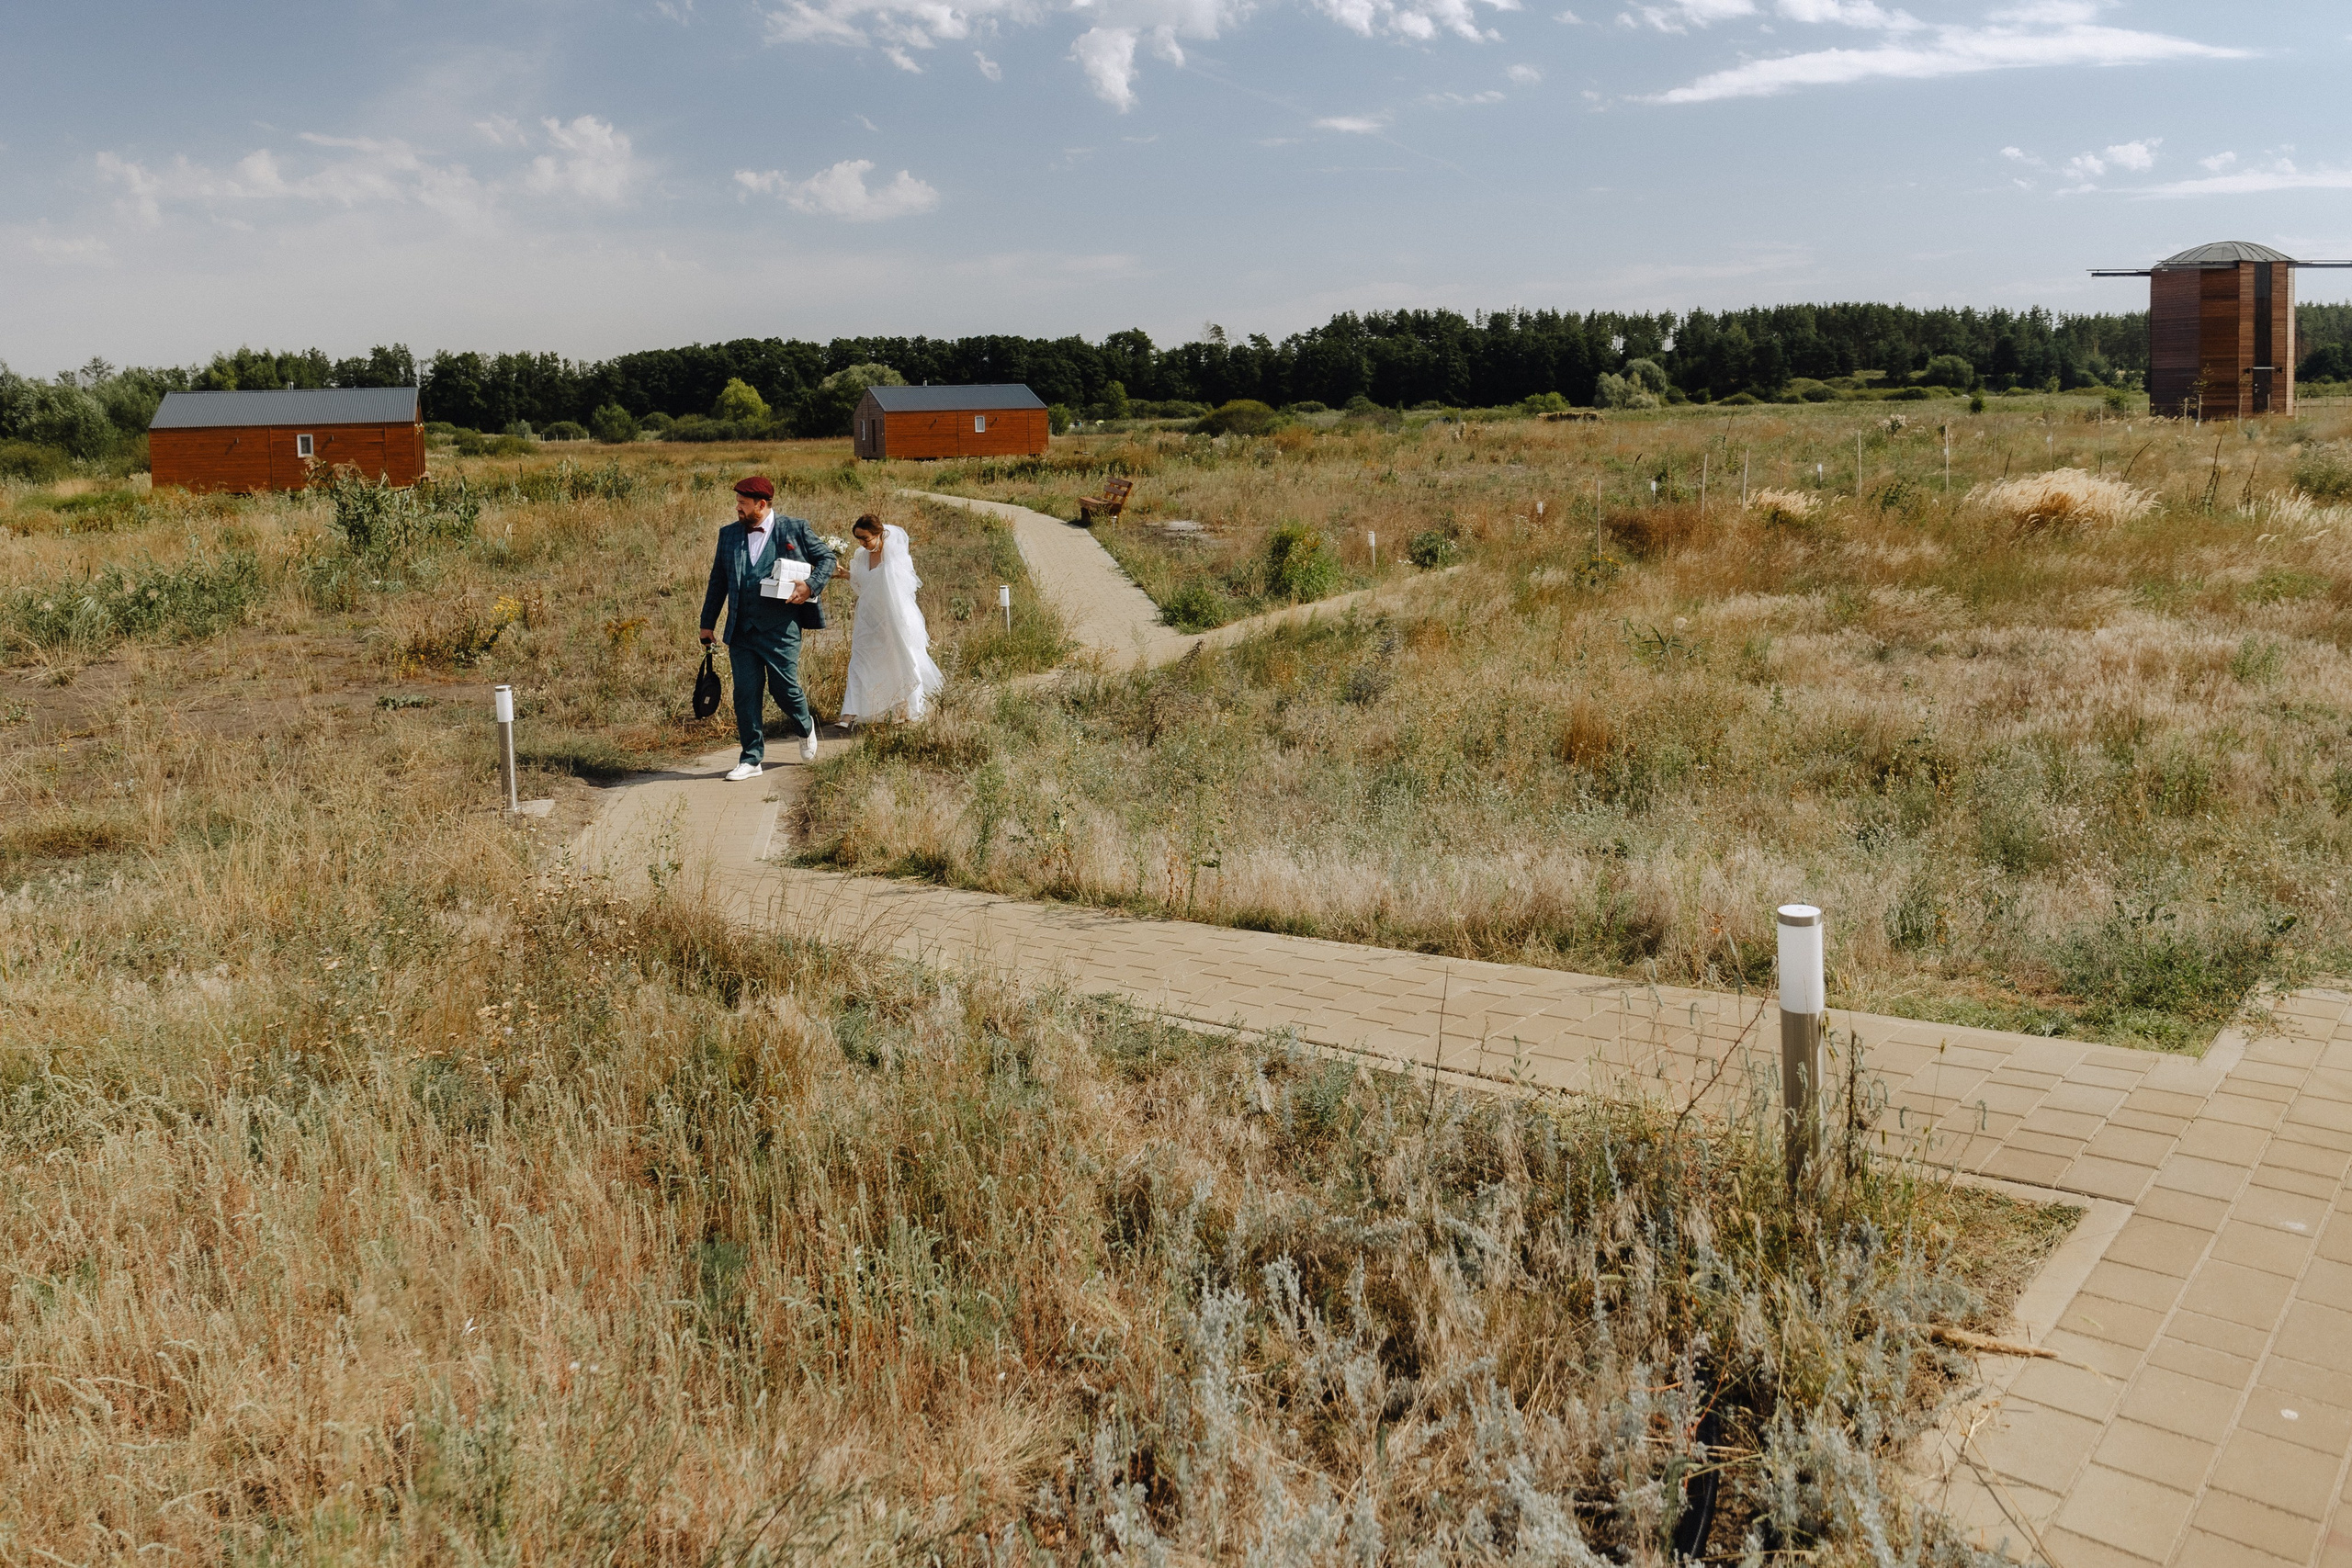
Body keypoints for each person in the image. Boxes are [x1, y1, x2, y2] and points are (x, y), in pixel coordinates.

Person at [699, 476, 837, 780]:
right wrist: (707, 624)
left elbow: (827, 558)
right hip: (741, 630)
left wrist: (810, 587)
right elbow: (718, 582)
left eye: (742, 503)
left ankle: (805, 725)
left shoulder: (794, 529)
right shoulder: (729, 535)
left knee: (784, 689)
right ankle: (751, 758)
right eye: (736, 502)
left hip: (780, 628)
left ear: (761, 505)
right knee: (745, 694)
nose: (737, 507)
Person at [840, 513, 945, 725]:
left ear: (878, 534)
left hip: (893, 616)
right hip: (869, 617)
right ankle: (850, 712)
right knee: (860, 659)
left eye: (866, 538)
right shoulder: (862, 555)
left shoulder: (895, 555)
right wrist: (845, 574)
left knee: (899, 660)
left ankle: (905, 707)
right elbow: (863, 583)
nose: (862, 543)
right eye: (859, 539)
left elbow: (901, 588)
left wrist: (895, 622)